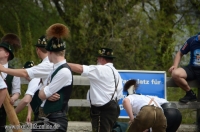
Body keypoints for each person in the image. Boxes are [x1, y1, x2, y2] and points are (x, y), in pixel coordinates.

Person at [0, 35, 54, 122]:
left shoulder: (44, 67)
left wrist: (12, 114)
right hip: (52, 110)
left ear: (38, 50)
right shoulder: (52, 65)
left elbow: (26, 99)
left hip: (45, 111)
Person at [68, 48, 123, 132]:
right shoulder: (116, 73)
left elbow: (80, 69)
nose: (97, 60)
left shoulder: (101, 69)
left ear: (102, 59)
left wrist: (62, 64)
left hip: (102, 111)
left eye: (97, 58)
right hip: (112, 108)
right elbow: (119, 95)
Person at [31, 23, 73, 132]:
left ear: (49, 52)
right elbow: (43, 93)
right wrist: (45, 92)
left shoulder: (63, 71)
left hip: (55, 119)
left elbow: (43, 93)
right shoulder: (55, 69)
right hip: (47, 118)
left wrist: (44, 92)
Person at [168, 33, 200, 103]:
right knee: (175, 74)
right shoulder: (192, 40)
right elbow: (180, 53)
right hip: (192, 68)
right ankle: (190, 93)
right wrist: (175, 66)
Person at [0, 33, 21, 132]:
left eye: (0, 50)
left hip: (3, 110)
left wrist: (13, 98)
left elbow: (17, 91)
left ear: (7, 54)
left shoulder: (14, 72)